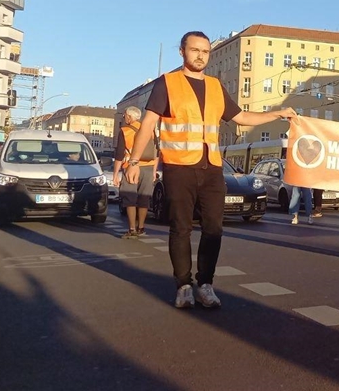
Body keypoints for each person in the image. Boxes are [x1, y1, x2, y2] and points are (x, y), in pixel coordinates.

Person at [125, 31, 298, 310]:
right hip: (179, 167)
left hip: (212, 168)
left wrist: (277, 113)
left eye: (205, 52)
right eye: (195, 50)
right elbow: (148, 124)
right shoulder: (167, 84)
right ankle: (183, 286)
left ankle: (205, 284)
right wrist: (134, 162)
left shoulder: (216, 86)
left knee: (214, 228)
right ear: (182, 52)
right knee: (181, 227)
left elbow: (241, 117)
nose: (200, 56)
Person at [113, 106, 158, 239]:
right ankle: (141, 227)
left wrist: (116, 174)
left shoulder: (125, 130)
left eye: (124, 115)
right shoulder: (149, 130)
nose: (123, 117)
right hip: (148, 167)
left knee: (130, 197)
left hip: (131, 168)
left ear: (130, 117)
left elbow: (120, 154)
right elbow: (157, 151)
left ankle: (132, 229)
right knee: (144, 197)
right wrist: (154, 171)